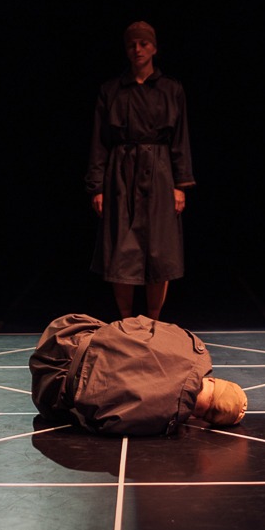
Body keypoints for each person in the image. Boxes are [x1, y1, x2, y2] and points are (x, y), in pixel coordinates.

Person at [85, 21, 195, 321]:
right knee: (122, 248)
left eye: (143, 44)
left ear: (154, 48)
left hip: (159, 171)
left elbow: (180, 139)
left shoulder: (171, 89)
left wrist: (180, 185)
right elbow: (99, 141)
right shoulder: (111, 90)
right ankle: (125, 321)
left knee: (159, 249)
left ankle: (153, 322)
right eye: (132, 44)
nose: (137, 49)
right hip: (120, 173)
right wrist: (97, 186)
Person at [29, 313, 247, 436]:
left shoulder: (192, 346)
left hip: (67, 334)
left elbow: (134, 324)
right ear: (202, 418)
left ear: (213, 380)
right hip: (51, 390)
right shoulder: (162, 422)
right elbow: (102, 424)